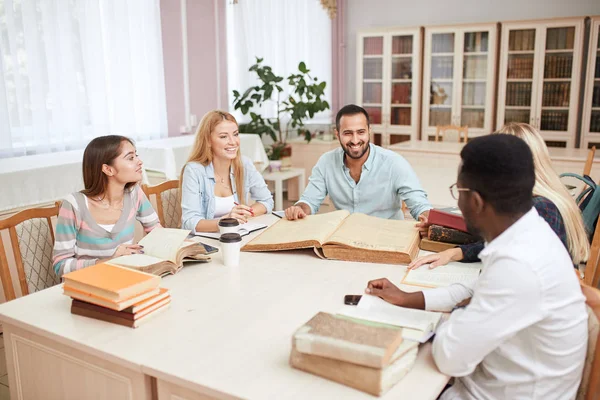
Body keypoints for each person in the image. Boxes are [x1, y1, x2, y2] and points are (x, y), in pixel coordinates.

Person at [365, 134, 588, 399]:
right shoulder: (530, 232)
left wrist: (459, 312)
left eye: (458, 192)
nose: (457, 203)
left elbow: (449, 357)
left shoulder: (519, 267)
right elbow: (474, 288)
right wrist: (409, 298)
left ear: (477, 202)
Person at [411, 122, 589, 269]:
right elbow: (503, 236)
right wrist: (448, 236)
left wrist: (456, 252)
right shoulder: (544, 198)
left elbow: (502, 241)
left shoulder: (540, 208)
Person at [285, 104, 431, 225]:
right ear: (337, 134)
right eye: (348, 133)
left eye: (361, 132)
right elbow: (309, 201)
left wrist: (427, 218)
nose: (355, 140)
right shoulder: (326, 162)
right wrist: (299, 209)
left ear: (369, 131)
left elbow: (419, 205)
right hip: (342, 239)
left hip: (385, 237)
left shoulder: (394, 163)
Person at [53, 135, 161, 277]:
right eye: (130, 158)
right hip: (89, 287)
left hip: (125, 280)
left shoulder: (135, 194)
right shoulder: (74, 205)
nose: (139, 162)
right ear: (108, 169)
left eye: (137, 155)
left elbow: (158, 233)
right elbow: (60, 265)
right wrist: (110, 262)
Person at [180, 110, 273, 233]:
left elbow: (266, 201)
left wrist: (243, 214)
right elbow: (189, 222)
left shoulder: (244, 164)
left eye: (235, 134)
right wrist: (226, 221)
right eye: (224, 136)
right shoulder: (194, 171)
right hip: (204, 242)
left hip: (237, 237)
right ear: (208, 141)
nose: (233, 141)